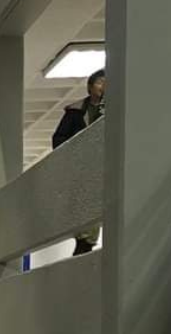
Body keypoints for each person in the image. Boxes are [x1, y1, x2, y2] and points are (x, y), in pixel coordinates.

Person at [52, 69, 106, 257]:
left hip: (103, 167)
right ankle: (84, 242)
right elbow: (59, 139)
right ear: (90, 87)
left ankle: (88, 243)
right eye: (100, 82)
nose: (104, 86)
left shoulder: (113, 109)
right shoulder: (75, 112)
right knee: (85, 209)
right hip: (82, 167)